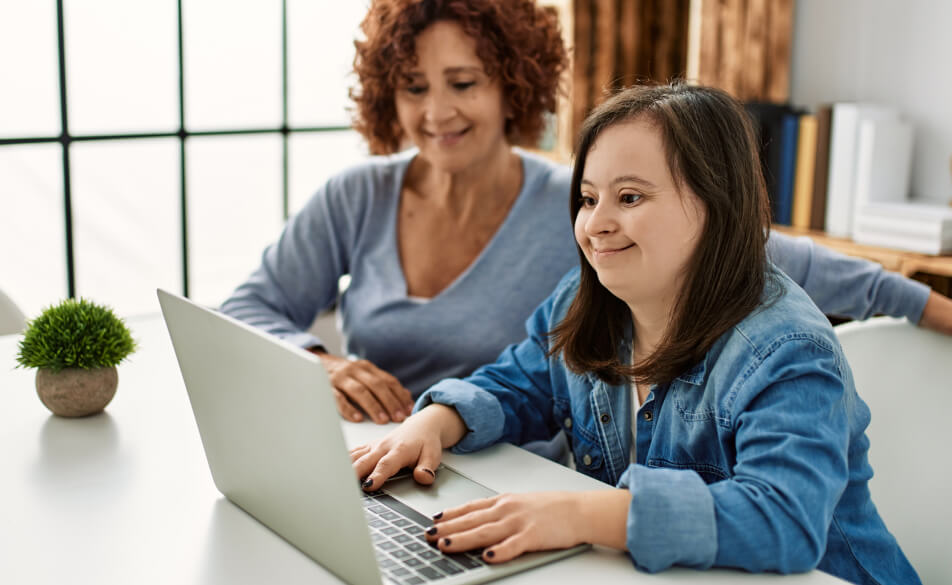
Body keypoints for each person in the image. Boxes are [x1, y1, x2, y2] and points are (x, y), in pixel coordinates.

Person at [220, 0, 952, 426]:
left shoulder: (580, 204)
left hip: (512, 476)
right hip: (381, 457)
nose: (436, 111)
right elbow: (248, 307)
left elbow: (778, 256)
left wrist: (925, 305)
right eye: (413, 87)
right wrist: (318, 361)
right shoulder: (358, 197)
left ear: (513, 85)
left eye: (462, 82)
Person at [351, 83, 920, 585]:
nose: (595, 224)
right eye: (589, 198)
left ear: (714, 205)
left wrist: (575, 516)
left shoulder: (788, 350)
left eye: (630, 197)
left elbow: (782, 519)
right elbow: (521, 383)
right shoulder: (585, 300)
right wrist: (435, 421)